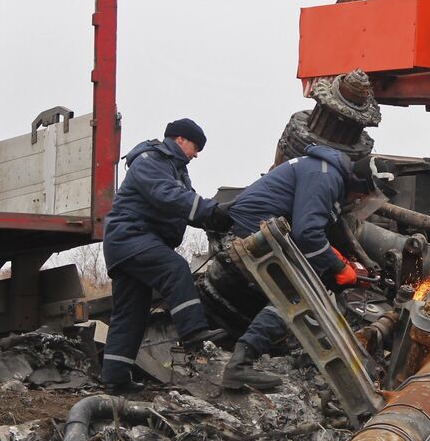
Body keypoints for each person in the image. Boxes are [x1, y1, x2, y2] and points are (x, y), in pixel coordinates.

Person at [217, 145, 375, 391]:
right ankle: (240, 364)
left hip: (268, 227)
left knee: (310, 278)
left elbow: (312, 229)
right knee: (297, 292)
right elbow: (307, 233)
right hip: (253, 228)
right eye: (364, 196)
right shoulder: (326, 177)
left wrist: (337, 260)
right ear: (360, 185)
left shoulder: (328, 173)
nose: (360, 200)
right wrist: (339, 268)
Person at [100, 119, 223, 394]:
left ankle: (115, 379)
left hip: (130, 243)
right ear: (180, 140)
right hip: (131, 237)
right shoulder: (151, 160)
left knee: (131, 313)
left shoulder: (176, 170)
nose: (197, 154)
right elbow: (168, 196)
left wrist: (217, 217)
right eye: (196, 147)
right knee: (175, 268)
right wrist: (212, 211)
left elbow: (187, 203)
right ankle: (193, 334)